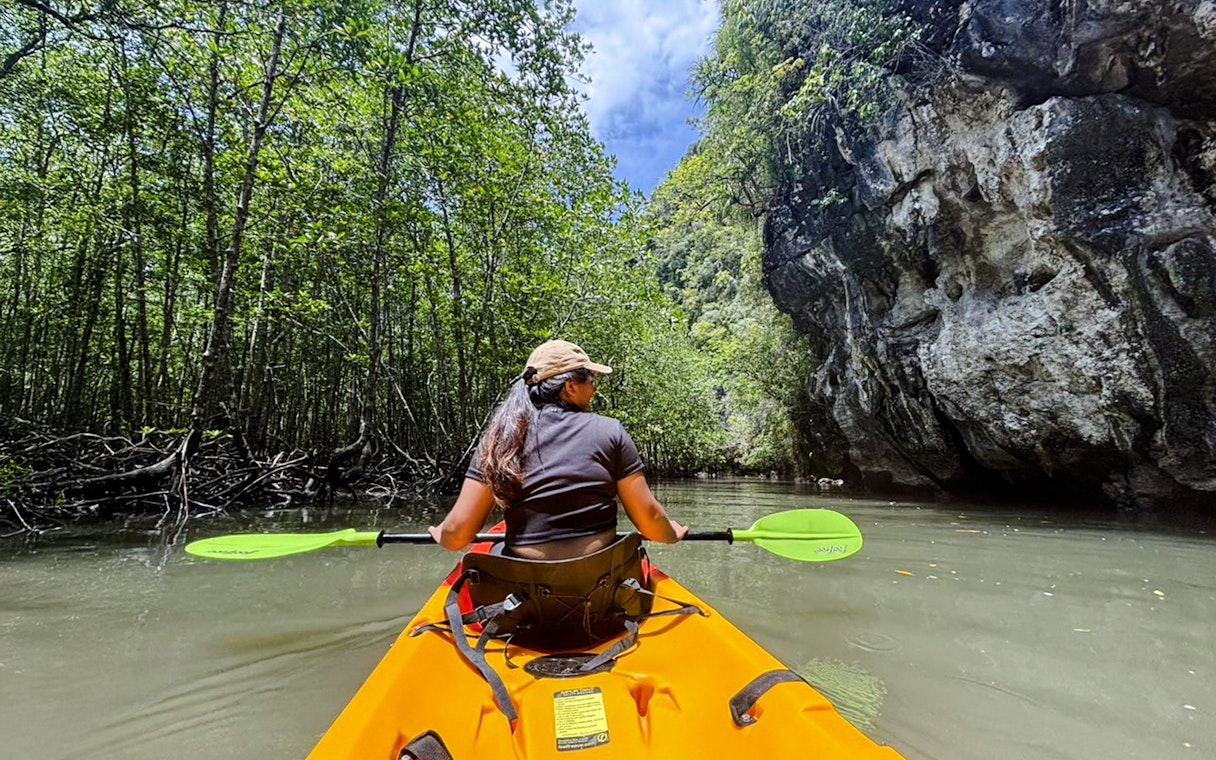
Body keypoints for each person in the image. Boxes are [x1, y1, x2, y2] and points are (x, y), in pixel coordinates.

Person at [428, 339, 688, 559]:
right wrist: (671, 533)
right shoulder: (610, 431)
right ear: (571, 386)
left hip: (524, 595)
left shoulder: (499, 438)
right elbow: (651, 522)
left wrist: (441, 533)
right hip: (599, 588)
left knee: (491, 554)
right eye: (591, 379)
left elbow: (457, 536)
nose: (594, 389)